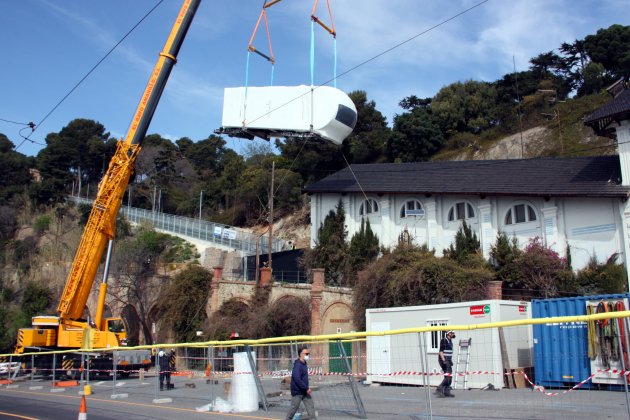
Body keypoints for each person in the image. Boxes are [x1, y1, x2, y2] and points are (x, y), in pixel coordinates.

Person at [286, 346, 316, 419]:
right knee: (293, 409)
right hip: (298, 391)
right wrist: (306, 388)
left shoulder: (304, 364)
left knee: (311, 407)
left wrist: (306, 389)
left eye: (308, 353)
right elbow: (297, 378)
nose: (308, 355)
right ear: (301, 354)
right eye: (306, 353)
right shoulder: (298, 365)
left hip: (304, 391)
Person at [436, 330, 456, 398]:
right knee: (448, 376)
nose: (454, 334)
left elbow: (449, 352)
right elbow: (441, 351)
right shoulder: (444, 340)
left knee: (449, 376)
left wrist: (450, 361)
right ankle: (440, 387)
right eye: (452, 333)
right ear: (448, 333)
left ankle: (446, 391)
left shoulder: (450, 341)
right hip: (443, 360)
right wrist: (444, 361)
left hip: (448, 360)